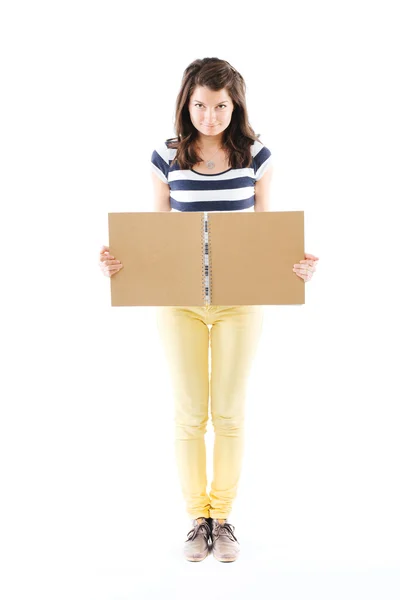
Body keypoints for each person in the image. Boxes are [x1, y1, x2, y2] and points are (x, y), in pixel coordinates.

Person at [99, 57, 319, 563]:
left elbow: (269, 235)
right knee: (189, 415)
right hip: (180, 305)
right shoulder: (166, 156)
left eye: (220, 106)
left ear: (234, 104)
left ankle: (223, 518)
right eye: (201, 105)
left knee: (230, 413)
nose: (210, 116)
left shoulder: (256, 156)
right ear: (187, 104)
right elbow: (157, 235)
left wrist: (298, 265)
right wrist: (120, 262)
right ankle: (197, 518)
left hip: (239, 304)